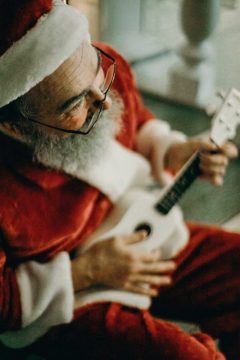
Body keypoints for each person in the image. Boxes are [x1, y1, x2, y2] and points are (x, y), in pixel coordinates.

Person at [0, 1, 240, 359]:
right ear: (12, 125)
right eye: (74, 104)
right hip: (68, 297)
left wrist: (171, 150)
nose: (104, 102)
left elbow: (136, 122)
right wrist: (89, 270)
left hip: (136, 234)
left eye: (97, 72)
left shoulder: (102, 70)